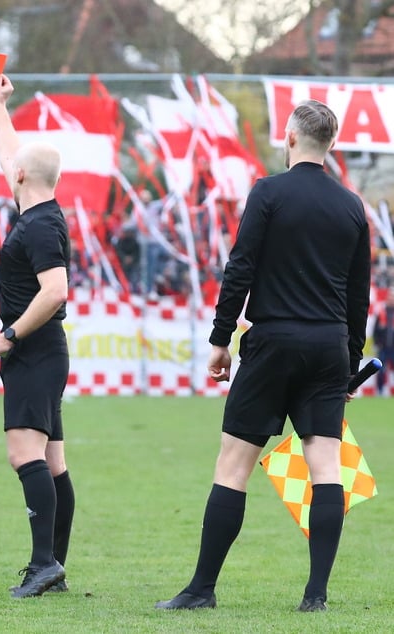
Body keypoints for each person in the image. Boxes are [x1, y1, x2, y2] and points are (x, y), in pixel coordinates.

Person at [154, 100, 371, 613]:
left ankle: (201, 589)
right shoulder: (351, 207)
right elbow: (358, 296)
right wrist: (351, 363)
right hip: (327, 347)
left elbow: (241, 267)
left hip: (272, 342)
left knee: (233, 466)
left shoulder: (269, 193)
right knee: (326, 470)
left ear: (291, 139)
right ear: (332, 145)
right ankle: (315, 596)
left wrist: (220, 337)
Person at [0, 74, 74, 599]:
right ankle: (52, 565)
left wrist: (10, 334)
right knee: (53, 463)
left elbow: (55, 290)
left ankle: (44, 565)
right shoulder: (38, 209)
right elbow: (10, 152)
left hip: (34, 353)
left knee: (25, 456)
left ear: (19, 177)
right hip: (43, 354)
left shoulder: (37, 226)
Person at [372, 292, 394, 396]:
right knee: (381, 370)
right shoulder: (381, 312)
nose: (391, 299)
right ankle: (380, 391)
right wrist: (378, 343)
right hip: (383, 347)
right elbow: (375, 331)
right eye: (390, 297)